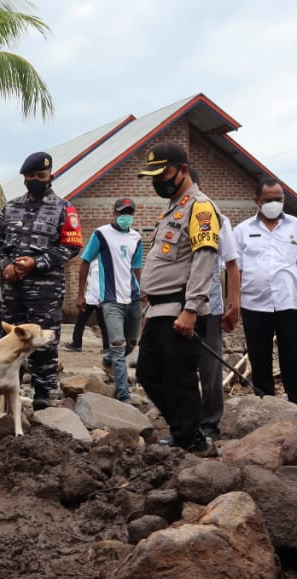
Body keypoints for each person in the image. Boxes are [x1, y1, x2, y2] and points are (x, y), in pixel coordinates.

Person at [136, 143, 221, 453]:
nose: (158, 181)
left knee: (179, 376)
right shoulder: (173, 208)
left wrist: (191, 308)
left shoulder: (200, 207)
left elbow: (204, 258)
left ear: (183, 170)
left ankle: (189, 441)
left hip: (180, 308)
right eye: (153, 176)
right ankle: (187, 431)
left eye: (164, 173)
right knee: (148, 372)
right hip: (158, 309)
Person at [0, 152, 83, 408]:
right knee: (9, 337)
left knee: (43, 340)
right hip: (13, 289)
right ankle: (9, 389)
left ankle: (42, 391)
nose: (36, 180)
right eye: (31, 177)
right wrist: (6, 266)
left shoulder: (65, 208)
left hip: (45, 290)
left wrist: (37, 262)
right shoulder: (10, 208)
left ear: (50, 176)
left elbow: (71, 246)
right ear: (24, 179)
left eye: (41, 176)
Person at [232, 178, 297, 404]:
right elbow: (234, 270)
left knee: (292, 357)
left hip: (288, 301)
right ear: (257, 201)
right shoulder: (242, 231)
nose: (274, 203)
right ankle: (265, 404)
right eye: (268, 200)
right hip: (254, 304)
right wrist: (233, 302)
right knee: (259, 358)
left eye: (278, 199)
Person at [189, 166, 240, 438]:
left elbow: (231, 263)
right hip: (177, 307)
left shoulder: (216, 217)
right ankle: (186, 423)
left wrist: (234, 303)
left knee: (209, 368)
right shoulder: (171, 217)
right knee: (181, 366)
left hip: (209, 306)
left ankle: (210, 424)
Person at [78, 197, 140, 402]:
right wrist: (81, 293)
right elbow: (85, 261)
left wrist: (142, 289)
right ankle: (123, 393)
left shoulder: (136, 238)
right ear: (114, 213)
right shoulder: (101, 234)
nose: (126, 217)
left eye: (129, 213)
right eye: (122, 213)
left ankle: (108, 360)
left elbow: (136, 266)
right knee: (118, 344)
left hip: (132, 298)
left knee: (131, 343)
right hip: (110, 300)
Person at [66, 261, 107, 353]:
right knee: (80, 320)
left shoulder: (103, 263)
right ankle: (76, 344)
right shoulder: (90, 263)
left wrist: (102, 297)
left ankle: (107, 347)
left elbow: (100, 283)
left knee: (103, 323)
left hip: (100, 298)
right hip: (89, 298)